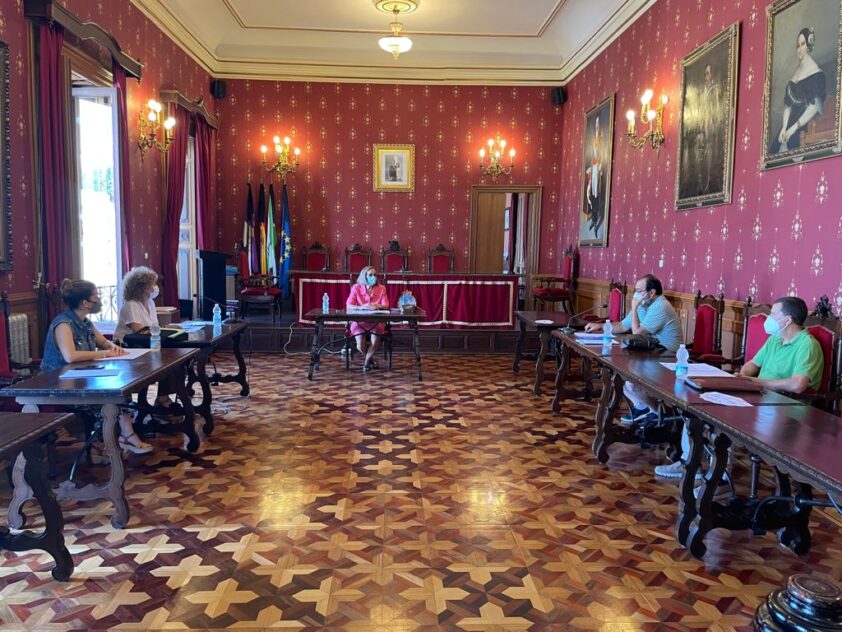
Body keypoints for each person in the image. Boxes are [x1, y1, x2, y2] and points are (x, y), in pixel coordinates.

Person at [654, 296, 824, 498]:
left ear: (787, 320)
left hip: (787, 408)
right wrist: (744, 376)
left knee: (722, 421)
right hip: (759, 398)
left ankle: (721, 479)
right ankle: (687, 462)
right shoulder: (776, 339)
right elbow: (753, 364)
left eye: (773, 314)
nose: (769, 319)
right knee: (697, 408)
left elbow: (798, 384)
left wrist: (759, 383)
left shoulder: (807, 345)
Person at [41, 279, 152, 454]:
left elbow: (102, 342)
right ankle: (116, 440)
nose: (98, 300)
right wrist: (103, 354)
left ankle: (122, 437)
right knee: (111, 397)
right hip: (60, 384)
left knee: (121, 391)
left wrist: (115, 349)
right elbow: (70, 356)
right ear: (85, 303)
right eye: (95, 297)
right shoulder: (63, 325)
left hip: (82, 378)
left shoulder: (85, 322)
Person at [584, 274, 683, 423]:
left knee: (631, 384)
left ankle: (659, 413)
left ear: (652, 293)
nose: (636, 294)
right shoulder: (644, 304)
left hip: (668, 357)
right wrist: (599, 326)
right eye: (635, 290)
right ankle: (643, 408)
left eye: (639, 291)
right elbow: (623, 326)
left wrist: (634, 307)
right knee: (622, 378)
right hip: (652, 351)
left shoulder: (660, 306)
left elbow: (636, 332)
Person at [114, 266, 182, 413]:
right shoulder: (131, 305)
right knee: (167, 358)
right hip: (129, 346)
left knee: (177, 358)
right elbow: (138, 330)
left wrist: (169, 328)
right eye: (152, 284)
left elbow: (154, 327)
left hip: (147, 343)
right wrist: (163, 330)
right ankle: (161, 399)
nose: (155, 287)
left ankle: (163, 396)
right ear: (143, 287)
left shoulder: (150, 303)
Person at [773, 27, 826, 153]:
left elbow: (813, 108)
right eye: (798, 45)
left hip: (805, 125)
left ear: (809, 45)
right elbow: (788, 105)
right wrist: (784, 127)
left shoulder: (816, 74)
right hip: (789, 125)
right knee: (774, 151)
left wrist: (793, 129)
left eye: (802, 44)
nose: (799, 49)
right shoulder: (796, 72)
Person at [346, 265, 390, 372]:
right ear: (364, 276)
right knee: (360, 345)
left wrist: (377, 306)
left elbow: (386, 305)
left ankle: (366, 363)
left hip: (375, 321)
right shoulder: (356, 287)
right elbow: (349, 305)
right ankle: (371, 359)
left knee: (375, 341)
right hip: (359, 321)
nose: (373, 277)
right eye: (370, 275)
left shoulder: (381, 288)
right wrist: (361, 307)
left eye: (375, 275)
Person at [583, 114, 605, 238]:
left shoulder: (601, 140)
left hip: (598, 170)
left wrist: (599, 165)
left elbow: (601, 157)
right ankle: (593, 216)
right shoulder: (593, 141)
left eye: (598, 125)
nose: (597, 127)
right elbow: (591, 156)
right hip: (593, 168)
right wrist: (590, 167)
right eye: (595, 125)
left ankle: (595, 221)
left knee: (595, 195)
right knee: (589, 193)